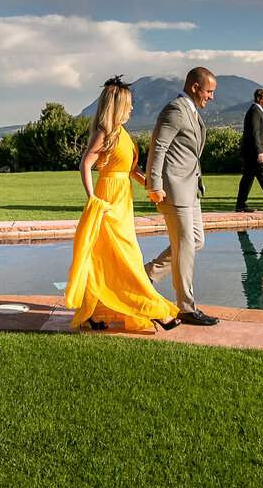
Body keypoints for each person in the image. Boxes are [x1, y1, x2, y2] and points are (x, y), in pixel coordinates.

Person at [65, 77, 180, 332]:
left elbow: (131, 168)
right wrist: (93, 198)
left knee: (107, 260)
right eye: (128, 105)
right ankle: (156, 310)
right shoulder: (104, 133)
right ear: (116, 107)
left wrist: (152, 187)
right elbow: (85, 164)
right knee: (127, 257)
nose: (131, 109)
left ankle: (94, 313)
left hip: (122, 200)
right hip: (107, 201)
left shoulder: (122, 134)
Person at [145, 67, 219, 326]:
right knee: (186, 244)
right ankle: (186, 307)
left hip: (190, 190)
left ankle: (147, 275)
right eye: (209, 91)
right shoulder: (175, 109)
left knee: (196, 241)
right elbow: (158, 147)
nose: (211, 96)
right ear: (195, 87)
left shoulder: (192, 112)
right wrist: (154, 184)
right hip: (173, 190)